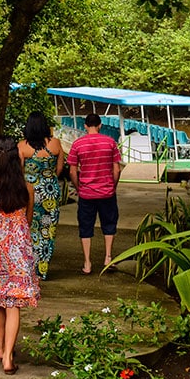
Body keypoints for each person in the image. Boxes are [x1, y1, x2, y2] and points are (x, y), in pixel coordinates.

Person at [0, 136, 39, 376]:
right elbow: (28, 221)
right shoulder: (28, 188)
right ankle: (8, 356)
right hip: (21, 252)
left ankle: (3, 349)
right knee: (14, 305)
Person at [66, 113, 121, 275]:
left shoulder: (77, 144)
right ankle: (108, 257)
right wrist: (112, 186)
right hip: (107, 192)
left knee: (85, 227)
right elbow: (116, 169)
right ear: (100, 125)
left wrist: (78, 187)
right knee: (109, 224)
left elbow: (72, 171)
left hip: (86, 193)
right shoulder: (110, 142)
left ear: (84, 125)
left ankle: (87, 263)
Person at [17, 111, 64, 280]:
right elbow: (59, 169)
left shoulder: (22, 146)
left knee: (29, 228)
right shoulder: (56, 144)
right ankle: (42, 269)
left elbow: (18, 171)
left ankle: (28, 267)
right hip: (50, 191)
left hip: (29, 192)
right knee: (48, 230)